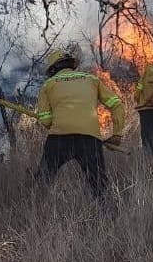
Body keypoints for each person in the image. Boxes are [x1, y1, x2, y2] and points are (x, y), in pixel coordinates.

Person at [33, 49, 125, 198]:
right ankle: (110, 216)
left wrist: (57, 120)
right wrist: (117, 134)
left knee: (43, 179)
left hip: (58, 138)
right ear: (71, 65)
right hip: (89, 138)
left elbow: (45, 120)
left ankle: (34, 211)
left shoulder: (48, 85)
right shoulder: (91, 79)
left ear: (53, 69)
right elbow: (116, 105)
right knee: (99, 184)